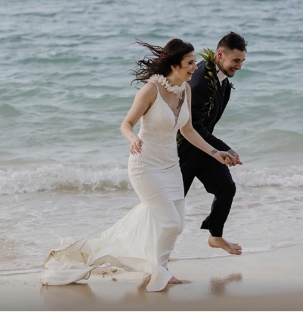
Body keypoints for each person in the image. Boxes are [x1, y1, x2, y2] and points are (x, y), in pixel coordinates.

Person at [41, 38, 236, 292]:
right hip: (145, 166)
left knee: (176, 222)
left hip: (170, 165)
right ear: (175, 65)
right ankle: (160, 271)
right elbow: (126, 124)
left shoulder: (185, 90)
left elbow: (188, 130)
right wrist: (133, 138)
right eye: (190, 63)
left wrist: (215, 152)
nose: (194, 67)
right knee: (171, 224)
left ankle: (158, 267)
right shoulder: (151, 90)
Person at [177, 32, 247, 256]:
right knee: (173, 207)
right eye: (235, 60)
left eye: (242, 61)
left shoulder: (223, 80)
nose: (239, 66)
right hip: (184, 152)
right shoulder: (199, 81)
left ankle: (215, 236)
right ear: (219, 54)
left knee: (226, 188)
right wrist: (224, 148)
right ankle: (157, 254)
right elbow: (192, 126)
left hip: (206, 149)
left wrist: (219, 150)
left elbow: (209, 123)